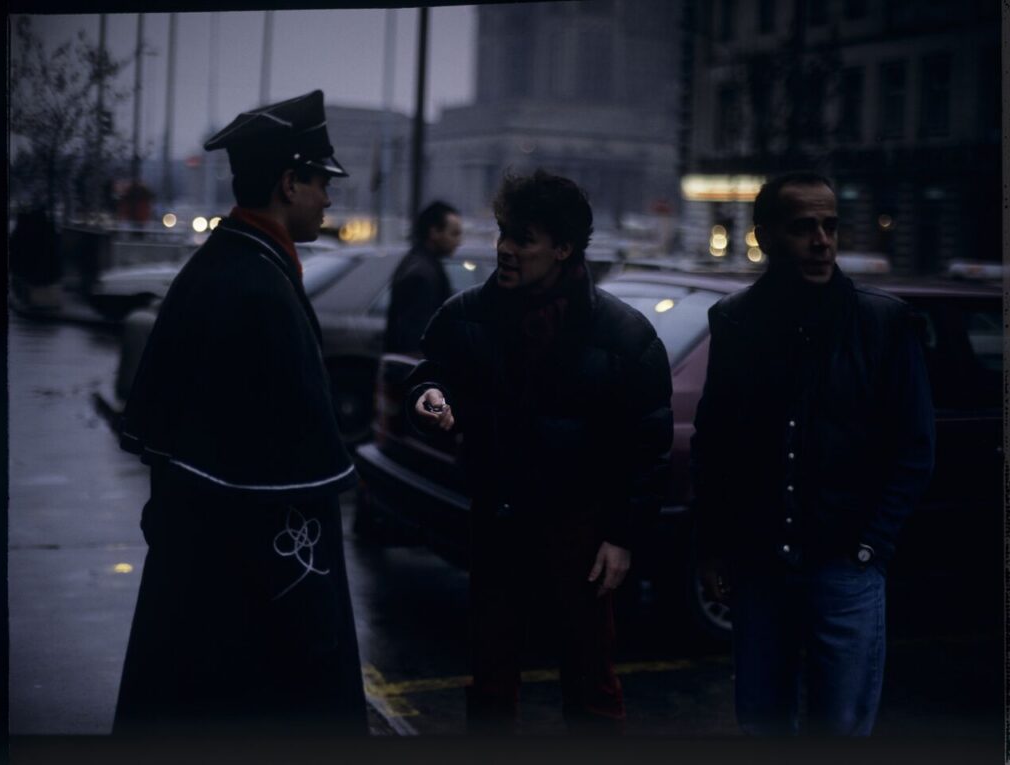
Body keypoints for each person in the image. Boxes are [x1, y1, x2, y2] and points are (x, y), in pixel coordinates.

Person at [114, 90, 367, 736]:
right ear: (289, 182)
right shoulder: (262, 291)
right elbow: (291, 490)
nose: (329, 198)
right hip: (249, 611)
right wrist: (315, 621)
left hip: (191, 594)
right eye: (320, 182)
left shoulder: (216, 267)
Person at [408, 170, 673, 733]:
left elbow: (648, 447)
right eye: (504, 232)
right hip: (497, 525)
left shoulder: (623, 335)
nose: (505, 248)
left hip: (581, 534)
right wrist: (429, 395)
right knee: (491, 684)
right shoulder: (467, 316)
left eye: (523, 238)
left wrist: (622, 536)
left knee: (591, 686)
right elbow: (431, 371)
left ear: (563, 247)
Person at [691, 171, 935, 736]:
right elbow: (717, 443)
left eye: (829, 226)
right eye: (803, 228)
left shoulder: (884, 322)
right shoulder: (736, 321)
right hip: (760, 568)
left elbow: (914, 448)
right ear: (767, 236)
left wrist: (873, 544)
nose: (822, 241)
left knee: (840, 729)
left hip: (845, 565)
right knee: (762, 722)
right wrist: (712, 548)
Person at [384, 200, 462, 354]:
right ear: (434, 233)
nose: (459, 242)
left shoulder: (422, 264)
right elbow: (416, 337)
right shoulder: (421, 274)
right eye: (454, 234)